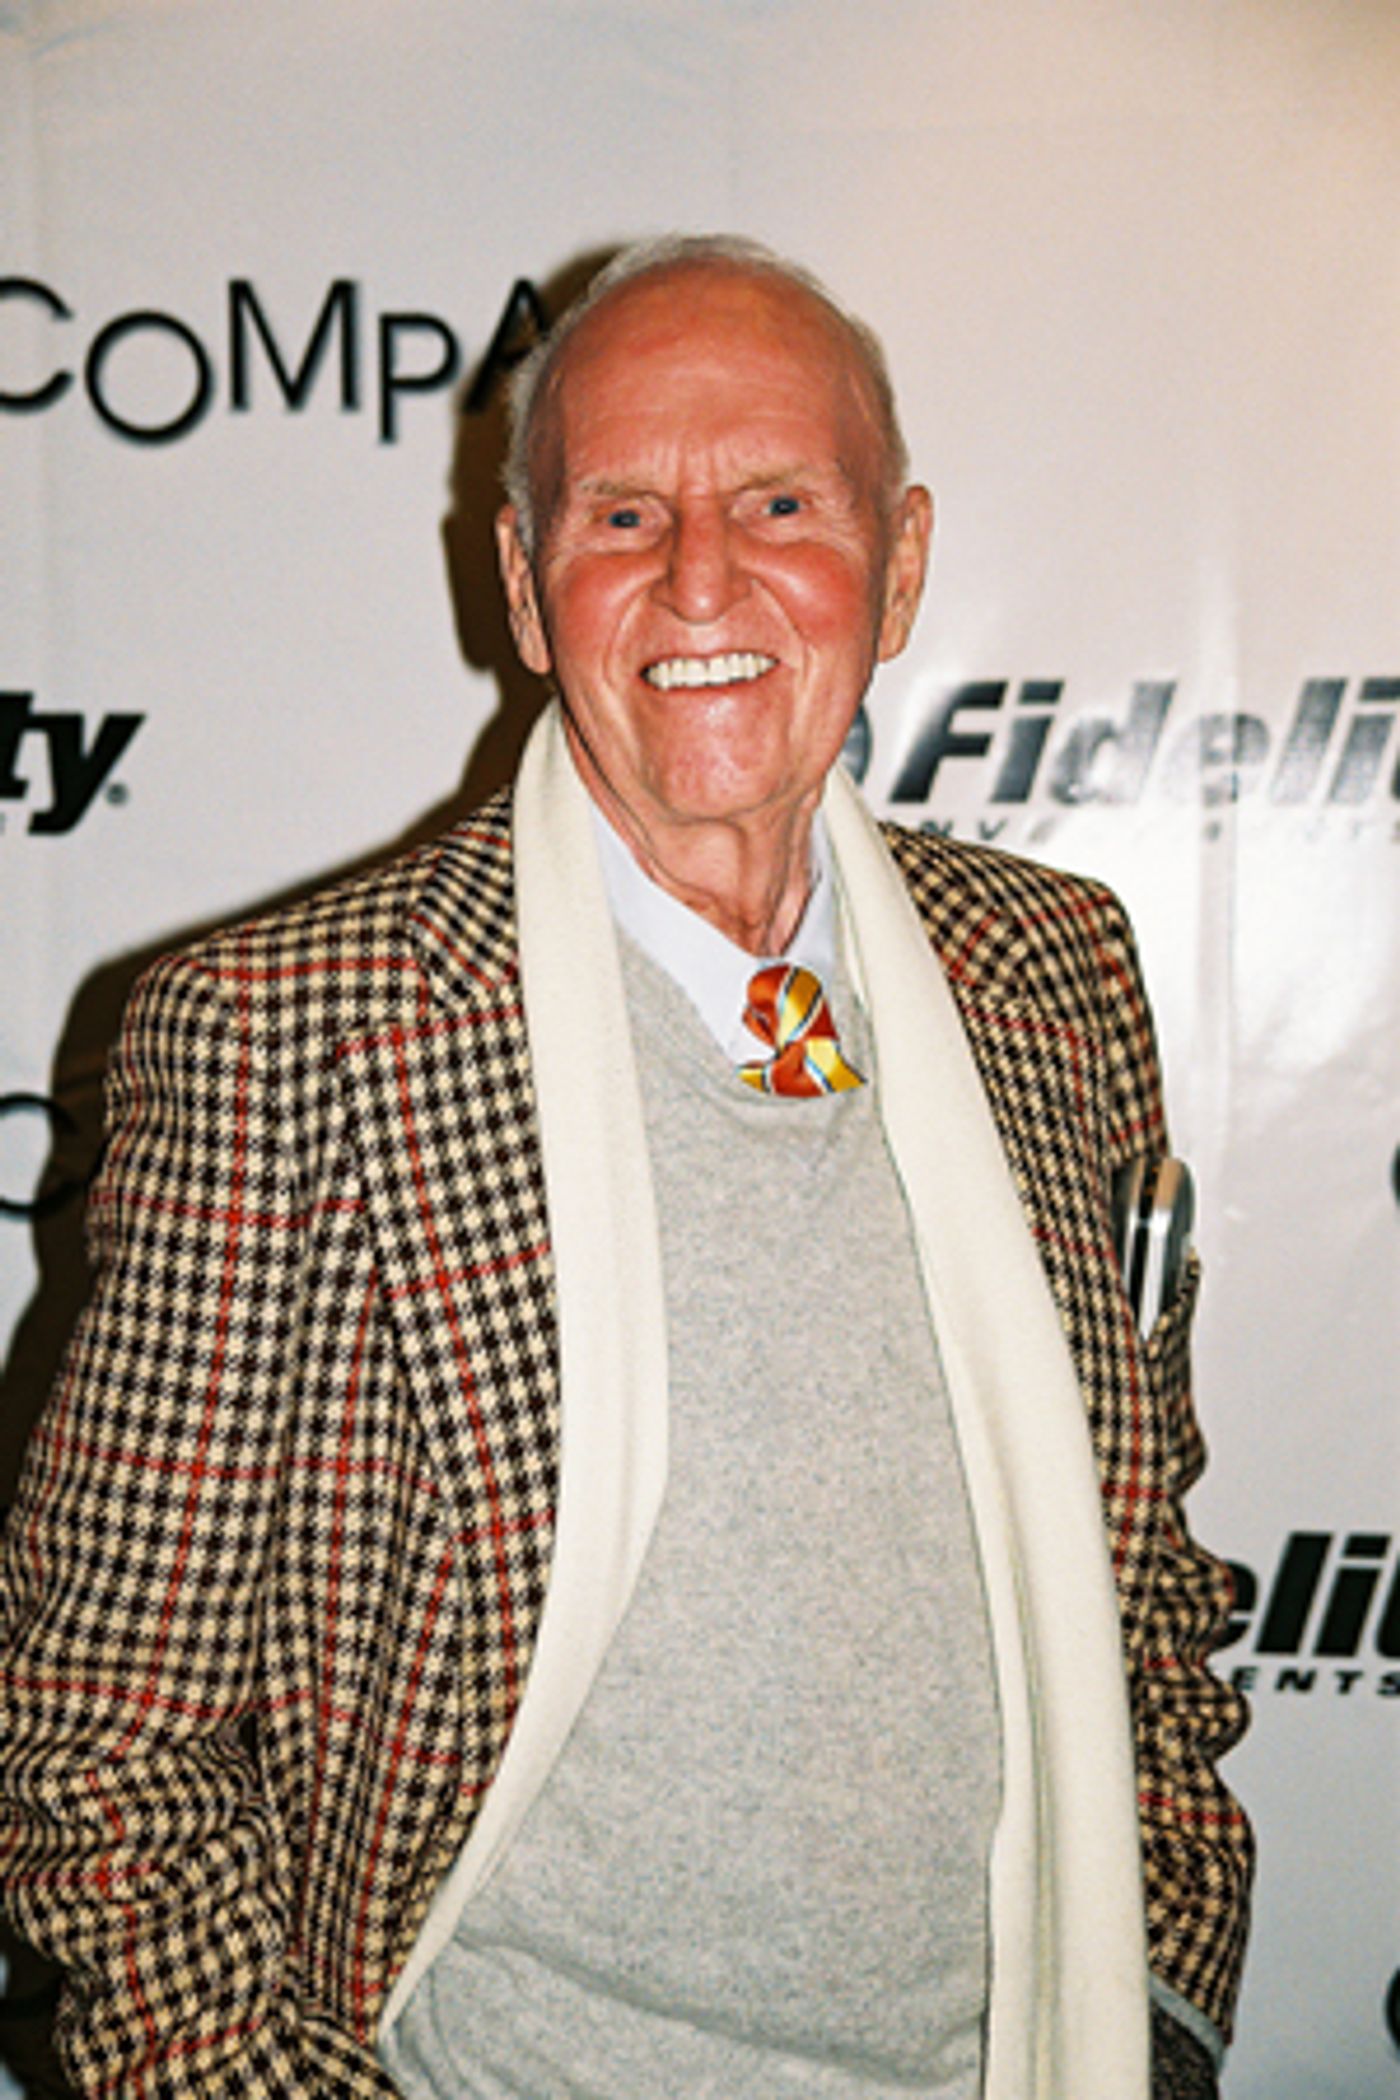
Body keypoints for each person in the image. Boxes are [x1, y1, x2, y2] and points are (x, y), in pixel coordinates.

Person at [0, 235, 1251, 2100]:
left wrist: (1165, 2012)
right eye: (621, 515)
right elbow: (97, 1748)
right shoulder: (285, 1038)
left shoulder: (1052, 974)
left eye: (781, 502)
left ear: (901, 563)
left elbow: (1145, 1586)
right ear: (526, 584)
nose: (701, 579)